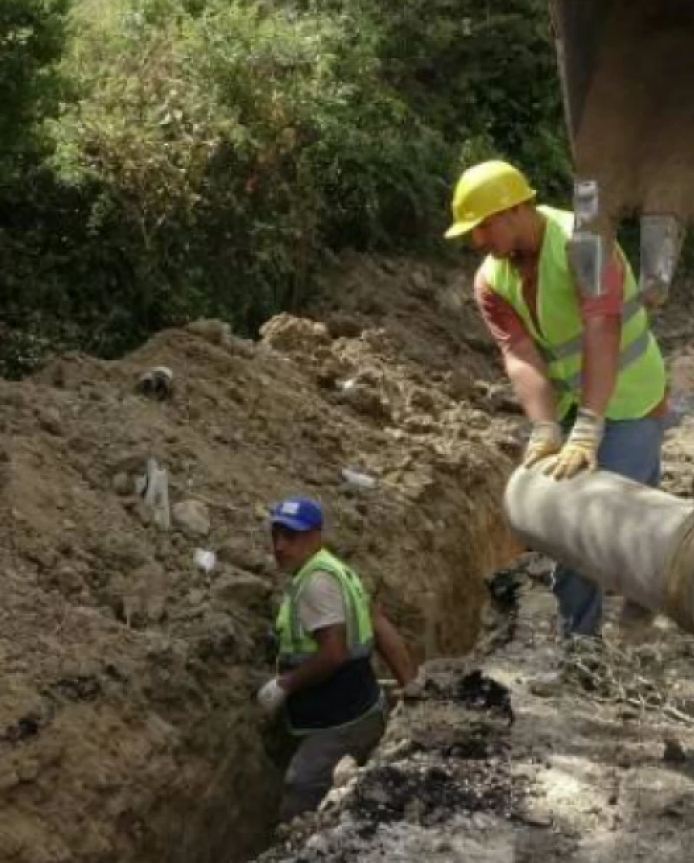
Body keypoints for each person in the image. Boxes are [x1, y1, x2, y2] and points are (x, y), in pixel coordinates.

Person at [445, 159, 670, 638]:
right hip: (574, 401)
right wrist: (545, 425)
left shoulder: (584, 244)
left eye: (482, 227)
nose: (477, 242)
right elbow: (520, 352)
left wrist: (590, 425)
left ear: (514, 210)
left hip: (632, 395)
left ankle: (644, 594)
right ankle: (581, 649)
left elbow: (602, 327)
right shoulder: (492, 280)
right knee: (576, 528)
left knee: (607, 516)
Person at [255, 495, 417, 821]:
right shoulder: (336, 570)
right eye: (277, 535)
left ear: (316, 535)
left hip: (339, 721)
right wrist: (413, 687)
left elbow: (334, 652)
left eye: (291, 536)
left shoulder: (316, 582)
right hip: (363, 708)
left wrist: (284, 685)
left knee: (301, 789)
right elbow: (379, 622)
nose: (281, 546)